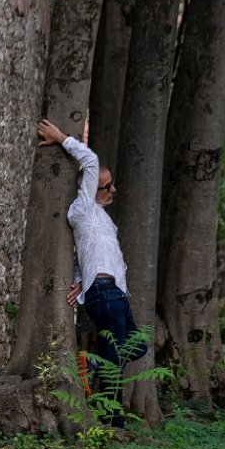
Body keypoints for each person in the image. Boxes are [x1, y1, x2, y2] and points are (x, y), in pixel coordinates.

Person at [36, 118, 146, 426]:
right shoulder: (82, 208)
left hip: (116, 294)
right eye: (106, 186)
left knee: (138, 346)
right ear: (89, 188)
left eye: (112, 184)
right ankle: (113, 422)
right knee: (115, 361)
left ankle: (91, 363)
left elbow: (83, 256)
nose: (113, 190)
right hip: (104, 294)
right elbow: (91, 161)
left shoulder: (101, 217)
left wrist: (80, 280)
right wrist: (61, 138)